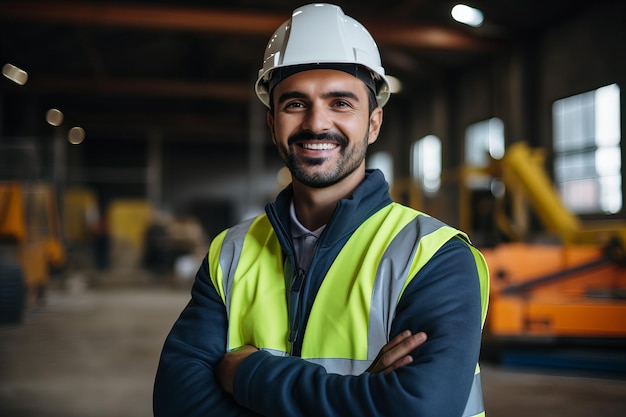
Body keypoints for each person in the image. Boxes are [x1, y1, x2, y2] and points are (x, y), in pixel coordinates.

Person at [153, 3, 489, 417]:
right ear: (272, 122)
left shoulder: (434, 257)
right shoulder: (229, 254)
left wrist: (248, 375)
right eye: (295, 103)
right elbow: (177, 402)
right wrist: (363, 396)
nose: (316, 123)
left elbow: (419, 408)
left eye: (340, 103)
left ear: (373, 123)